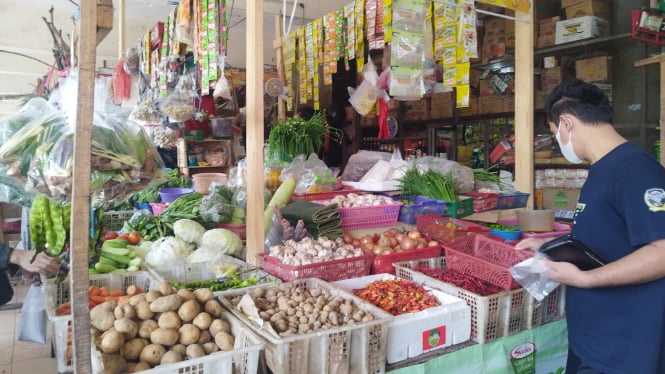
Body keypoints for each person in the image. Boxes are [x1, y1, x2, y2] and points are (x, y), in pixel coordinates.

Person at [515, 79, 665, 374]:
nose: (558, 141)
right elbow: (608, 236)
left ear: (567, 123)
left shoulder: (636, 169)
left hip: (625, 350)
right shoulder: (602, 169)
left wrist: (587, 279)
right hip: (594, 339)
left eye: (554, 132)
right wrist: (547, 245)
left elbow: (661, 251)